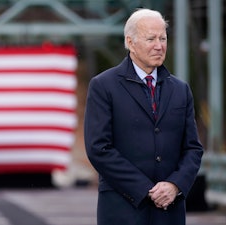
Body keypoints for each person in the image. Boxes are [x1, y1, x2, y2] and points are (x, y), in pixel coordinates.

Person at [83, 8, 203, 225]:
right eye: (151, 38)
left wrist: (175, 185)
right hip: (123, 210)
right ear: (130, 42)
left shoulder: (181, 89)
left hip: (170, 211)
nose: (159, 45)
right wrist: (146, 189)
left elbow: (193, 148)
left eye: (163, 38)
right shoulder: (103, 86)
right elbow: (98, 148)